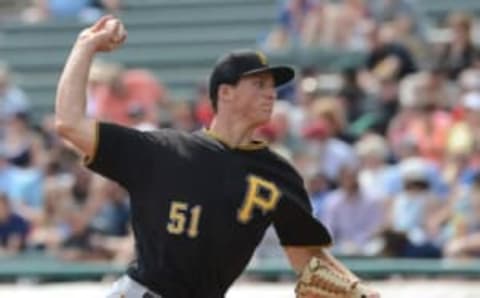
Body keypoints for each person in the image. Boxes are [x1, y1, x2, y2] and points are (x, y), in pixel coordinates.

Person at [55, 16, 379, 298]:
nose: (271, 93)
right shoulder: (163, 151)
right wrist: (86, 46)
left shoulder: (279, 174)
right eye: (259, 83)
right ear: (225, 92)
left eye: (273, 86)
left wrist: (359, 288)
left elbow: (308, 257)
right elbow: (69, 123)